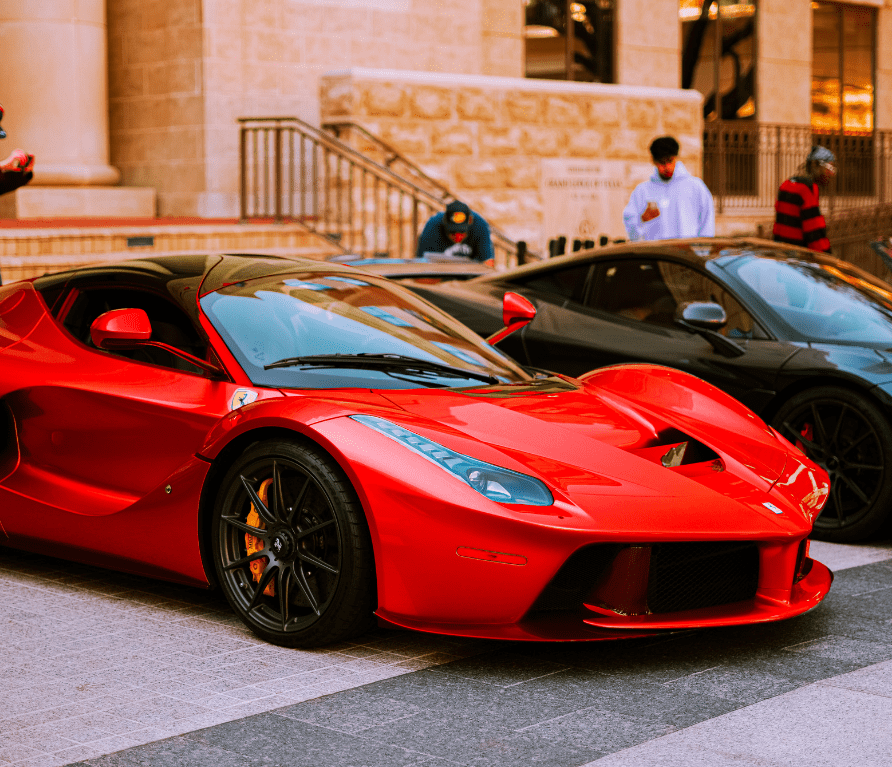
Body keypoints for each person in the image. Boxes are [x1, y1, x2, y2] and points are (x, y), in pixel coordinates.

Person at [622, 135, 715, 242]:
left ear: (676, 158)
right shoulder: (642, 191)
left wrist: (701, 253)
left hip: (686, 256)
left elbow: (707, 224)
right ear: (653, 161)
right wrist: (642, 219)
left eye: (670, 161)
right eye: (662, 162)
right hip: (654, 255)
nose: (667, 167)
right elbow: (631, 224)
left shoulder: (695, 187)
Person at [772, 145, 836, 253]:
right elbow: (813, 230)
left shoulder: (786, 184)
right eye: (828, 168)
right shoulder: (807, 189)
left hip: (781, 252)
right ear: (816, 165)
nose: (830, 174)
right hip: (799, 255)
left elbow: (779, 224)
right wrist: (827, 255)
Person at [416, 200, 495, 265]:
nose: (457, 236)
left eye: (462, 231)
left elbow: (488, 262)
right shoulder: (432, 225)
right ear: (444, 223)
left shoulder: (480, 225)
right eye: (452, 231)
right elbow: (422, 264)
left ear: (470, 223)